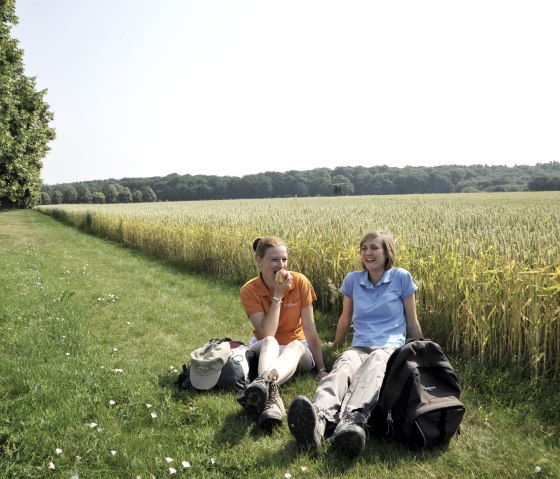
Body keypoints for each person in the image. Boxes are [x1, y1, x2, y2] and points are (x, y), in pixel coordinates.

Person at [287, 230, 423, 457]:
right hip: (359, 346)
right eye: (364, 248)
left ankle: (352, 421)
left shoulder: (401, 278)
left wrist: (421, 348)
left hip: (389, 349)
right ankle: (318, 420)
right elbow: (345, 317)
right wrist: (337, 343)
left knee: (376, 363)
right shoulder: (353, 280)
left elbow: (412, 321)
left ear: (387, 252)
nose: (367, 253)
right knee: (342, 368)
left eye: (374, 248)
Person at [238, 236, 328, 430]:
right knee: (270, 340)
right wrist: (278, 295)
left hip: (297, 350)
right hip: (266, 347)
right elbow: (266, 332)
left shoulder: (300, 282)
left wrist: (320, 368)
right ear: (259, 261)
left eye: (284, 259)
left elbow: (310, 328)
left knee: (295, 345)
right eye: (274, 260)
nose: (281, 265)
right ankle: (271, 397)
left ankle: (264, 385)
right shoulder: (249, 290)